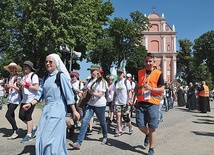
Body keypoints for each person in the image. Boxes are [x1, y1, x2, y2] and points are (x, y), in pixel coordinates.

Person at [22, 53, 80, 155]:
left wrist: (74, 111)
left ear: (56, 63)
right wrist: (30, 104)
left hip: (58, 109)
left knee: (49, 138)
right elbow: (39, 95)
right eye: (46, 61)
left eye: (50, 61)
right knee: (41, 135)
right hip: (47, 110)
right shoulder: (45, 78)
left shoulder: (60, 76)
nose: (48, 63)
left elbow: (69, 95)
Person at [69, 64, 108, 149]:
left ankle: (105, 136)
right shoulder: (90, 80)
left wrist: (92, 93)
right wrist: (81, 92)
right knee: (85, 121)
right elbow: (84, 90)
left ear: (97, 71)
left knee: (102, 121)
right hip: (90, 104)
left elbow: (100, 95)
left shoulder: (102, 82)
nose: (91, 72)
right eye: (90, 70)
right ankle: (78, 143)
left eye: (92, 70)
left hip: (100, 105)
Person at [133, 53, 164, 155]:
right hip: (141, 102)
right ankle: (147, 134)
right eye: (146, 61)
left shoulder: (158, 73)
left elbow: (162, 88)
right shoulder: (140, 72)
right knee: (140, 125)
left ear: (153, 62)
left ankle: (151, 148)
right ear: (144, 62)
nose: (148, 63)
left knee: (152, 127)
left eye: (150, 61)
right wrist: (132, 98)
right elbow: (137, 87)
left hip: (153, 103)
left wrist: (151, 88)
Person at [17, 61, 39, 143]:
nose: (25, 68)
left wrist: (25, 84)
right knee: (21, 116)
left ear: (30, 68)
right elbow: (23, 88)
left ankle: (29, 135)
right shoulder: (24, 76)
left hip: (31, 99)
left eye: (27, 66)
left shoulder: (34, 75)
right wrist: (20, 85)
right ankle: (33, 128)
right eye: (24, 66)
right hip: (24, 99)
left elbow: (36, 88)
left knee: (28, 116)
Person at [112, 68, 133, 137]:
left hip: (125, 102)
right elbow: (115, 93)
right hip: (118, 102)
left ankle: (130, 126)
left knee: (125, 117)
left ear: (123, 74)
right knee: (118, 116)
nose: (119, 75)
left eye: (121, 73)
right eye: (118, 73)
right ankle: (120, 130)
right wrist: (113, 101)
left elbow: (129, 91)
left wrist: (130, 99)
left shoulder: (126, 81)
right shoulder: (116, 82)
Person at [4, 62, 22, 140]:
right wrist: (7, 88)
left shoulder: (18, 78)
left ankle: (16, 130)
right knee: (12, 116)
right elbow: (9, 89)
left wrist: (12, 86)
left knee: (7, 115)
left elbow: (20, 89)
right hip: (10, 98)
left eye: (13, 68)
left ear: (16, 69)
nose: (12, 69)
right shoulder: (9, 78)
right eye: (10, 68)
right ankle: (14, 131)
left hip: (16, 98)